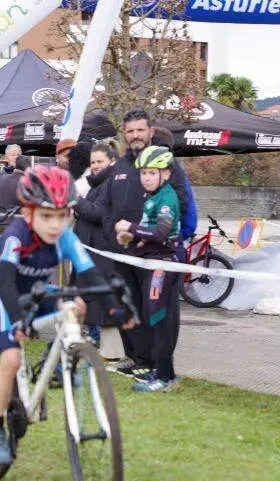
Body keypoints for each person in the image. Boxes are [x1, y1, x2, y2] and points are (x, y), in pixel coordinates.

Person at [0, 165, 130, 465]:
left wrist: (114, 307)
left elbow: (92, 276)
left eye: (63, 216)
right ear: (28, 213)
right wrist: (19, 320)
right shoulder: (15, 237)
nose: (55, 225)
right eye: (47, 216)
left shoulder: (66, 238)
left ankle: (59, 360)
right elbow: (5, 284)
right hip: (6, 296)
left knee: (77, 306)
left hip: (40, 291)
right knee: (11, 358)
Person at [82, 109, 190, 380]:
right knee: (129, 306)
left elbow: (181, 204)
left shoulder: (167, 164)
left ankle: (159, 365)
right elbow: (105, 207)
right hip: (122, 253)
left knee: (158, 310)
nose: (135, 135)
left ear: (150, 131)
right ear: (124, 134)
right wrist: (115, 237)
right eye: (130, 131)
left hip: (156, 254)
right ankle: (138, 358)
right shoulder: (118, 167)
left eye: (140, 130)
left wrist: (140, 234)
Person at [114, 146, 183, 393]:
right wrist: (132, 238)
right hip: (152, 262)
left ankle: (164, 377)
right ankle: (164, 371)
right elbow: (150, 232)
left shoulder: (167, 198)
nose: (147, 178)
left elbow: (162, 233)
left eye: (152, 173)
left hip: (163, 265)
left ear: (166, 174)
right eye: (143, 173)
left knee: (159, 319)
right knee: (154, 318)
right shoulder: (152, 196)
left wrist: (130, 227)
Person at [73, 142, 123, 360]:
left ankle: (112, 352)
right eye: (92, 162)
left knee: (103, 303)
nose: (95, 165)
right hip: (90, 249)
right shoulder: (98, 183)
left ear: (112, 161)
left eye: (99, 161)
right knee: (88, 301)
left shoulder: (110, 183)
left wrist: (75, 200)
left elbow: (97, 213)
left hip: (101, 250)